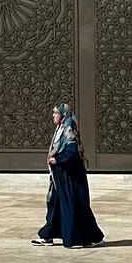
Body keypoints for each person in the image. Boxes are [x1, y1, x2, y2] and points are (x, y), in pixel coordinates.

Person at [32, 103, 103, 248]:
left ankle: (78, 238)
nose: (53, 116)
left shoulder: (69, 131)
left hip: (70, 178)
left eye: (56, 113)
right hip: (60, 177)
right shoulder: (60, 130)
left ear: (63, 115)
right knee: (55, 204)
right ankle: (48, 235)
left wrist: (57, 159)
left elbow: (72, 152)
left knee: (72, 205)